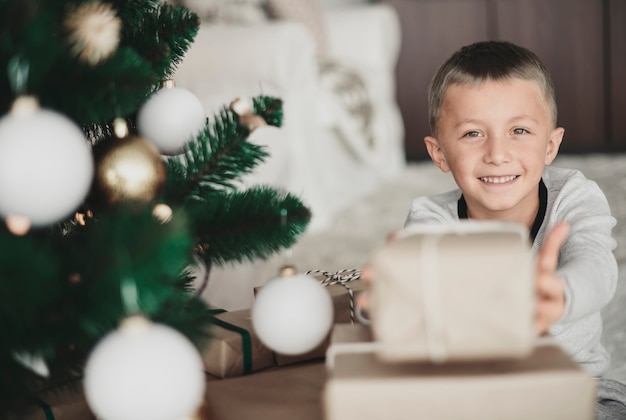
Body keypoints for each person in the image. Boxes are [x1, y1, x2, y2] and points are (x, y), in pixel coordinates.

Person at [358, 40, 626, 419]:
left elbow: (597, 265)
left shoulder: (574, 197)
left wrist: (563, 293)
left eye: (519, 130)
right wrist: (390, 304)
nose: (497, 154)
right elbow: (410, 293)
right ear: (439, 154)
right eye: (472, 134)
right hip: (472, 393)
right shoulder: (431, 219)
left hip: (577, 386)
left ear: (550, 146)